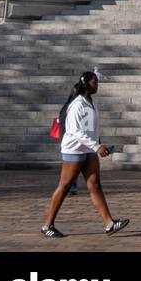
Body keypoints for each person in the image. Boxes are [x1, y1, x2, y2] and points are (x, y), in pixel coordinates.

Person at [41, 71, 128, 238]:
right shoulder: (77, 104)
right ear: (87, 83)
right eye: (95, 82)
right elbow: (74, 131)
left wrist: (99, 145)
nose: (97, 85)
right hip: (74, 149)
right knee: (65, 186)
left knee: (95, 184)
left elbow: (92, 128)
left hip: (88, 149)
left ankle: (109, 223)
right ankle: (47, 225)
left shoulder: (91, 103)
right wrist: (96, 146)